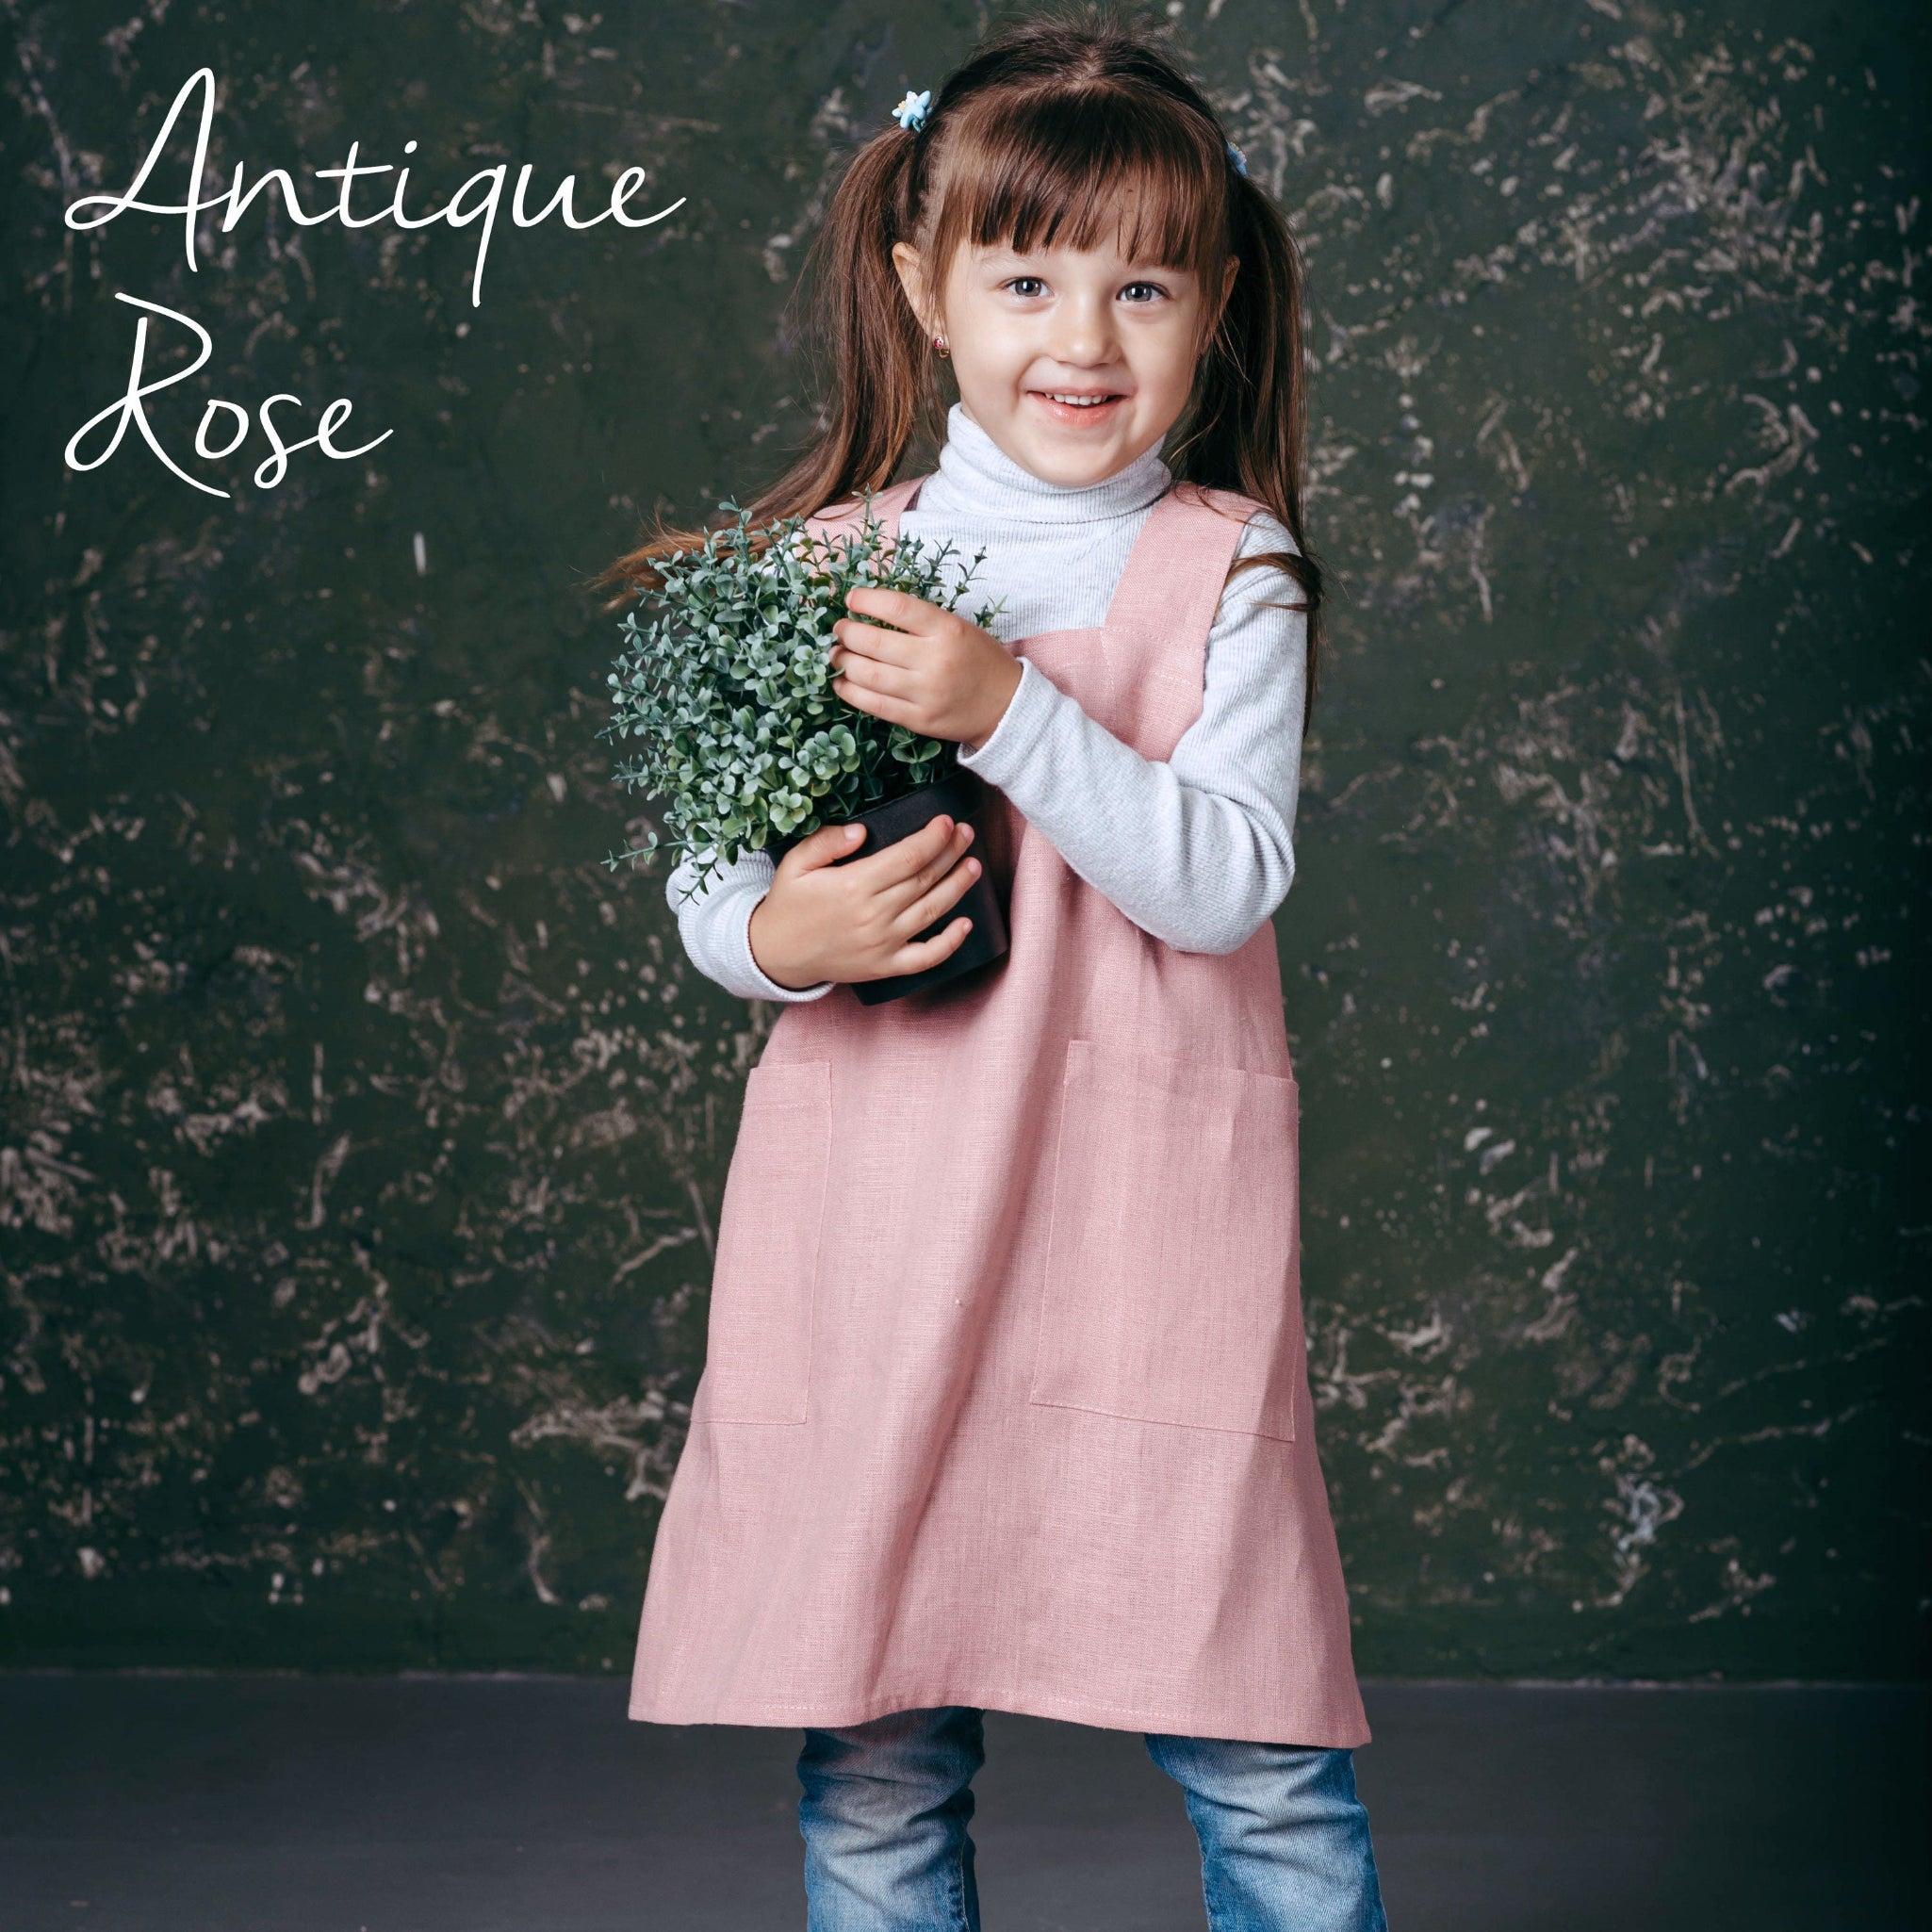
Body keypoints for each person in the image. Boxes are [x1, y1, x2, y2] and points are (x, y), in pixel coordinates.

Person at [607, 8, 1390, 1928]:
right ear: (923, 288)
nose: (1081, 338)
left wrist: (1006, 710)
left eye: (1142, 288)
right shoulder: (818, 568)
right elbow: (715, 885)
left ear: (1212, 306)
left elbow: (1222, 883)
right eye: (1025, 280)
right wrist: (778, 938)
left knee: (1258, 1747)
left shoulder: (1230, 573)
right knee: (875, 1749)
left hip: (1142, 1241)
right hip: (881, 1227)